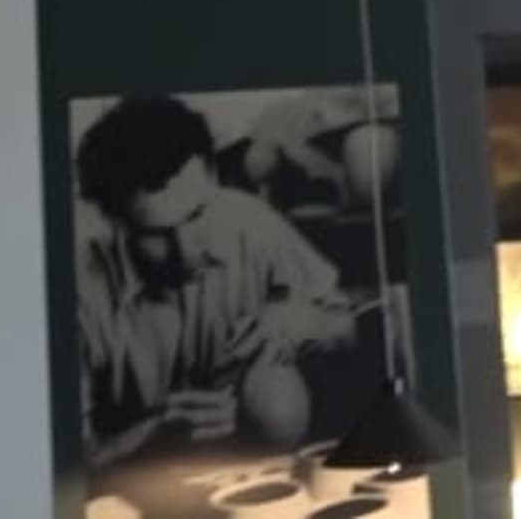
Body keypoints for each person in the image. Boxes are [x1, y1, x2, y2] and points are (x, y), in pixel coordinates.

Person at [74, 95, 360, 474]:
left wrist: (304, 322)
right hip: (138, 485)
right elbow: (62, 462)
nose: (187, 251)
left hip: (250, 474)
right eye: (155, 235)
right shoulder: (80, 293)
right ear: (112, 219)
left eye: (198, 215)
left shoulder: (251, 225)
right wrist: (149, 437)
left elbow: (348, 331)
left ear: (212, 178)